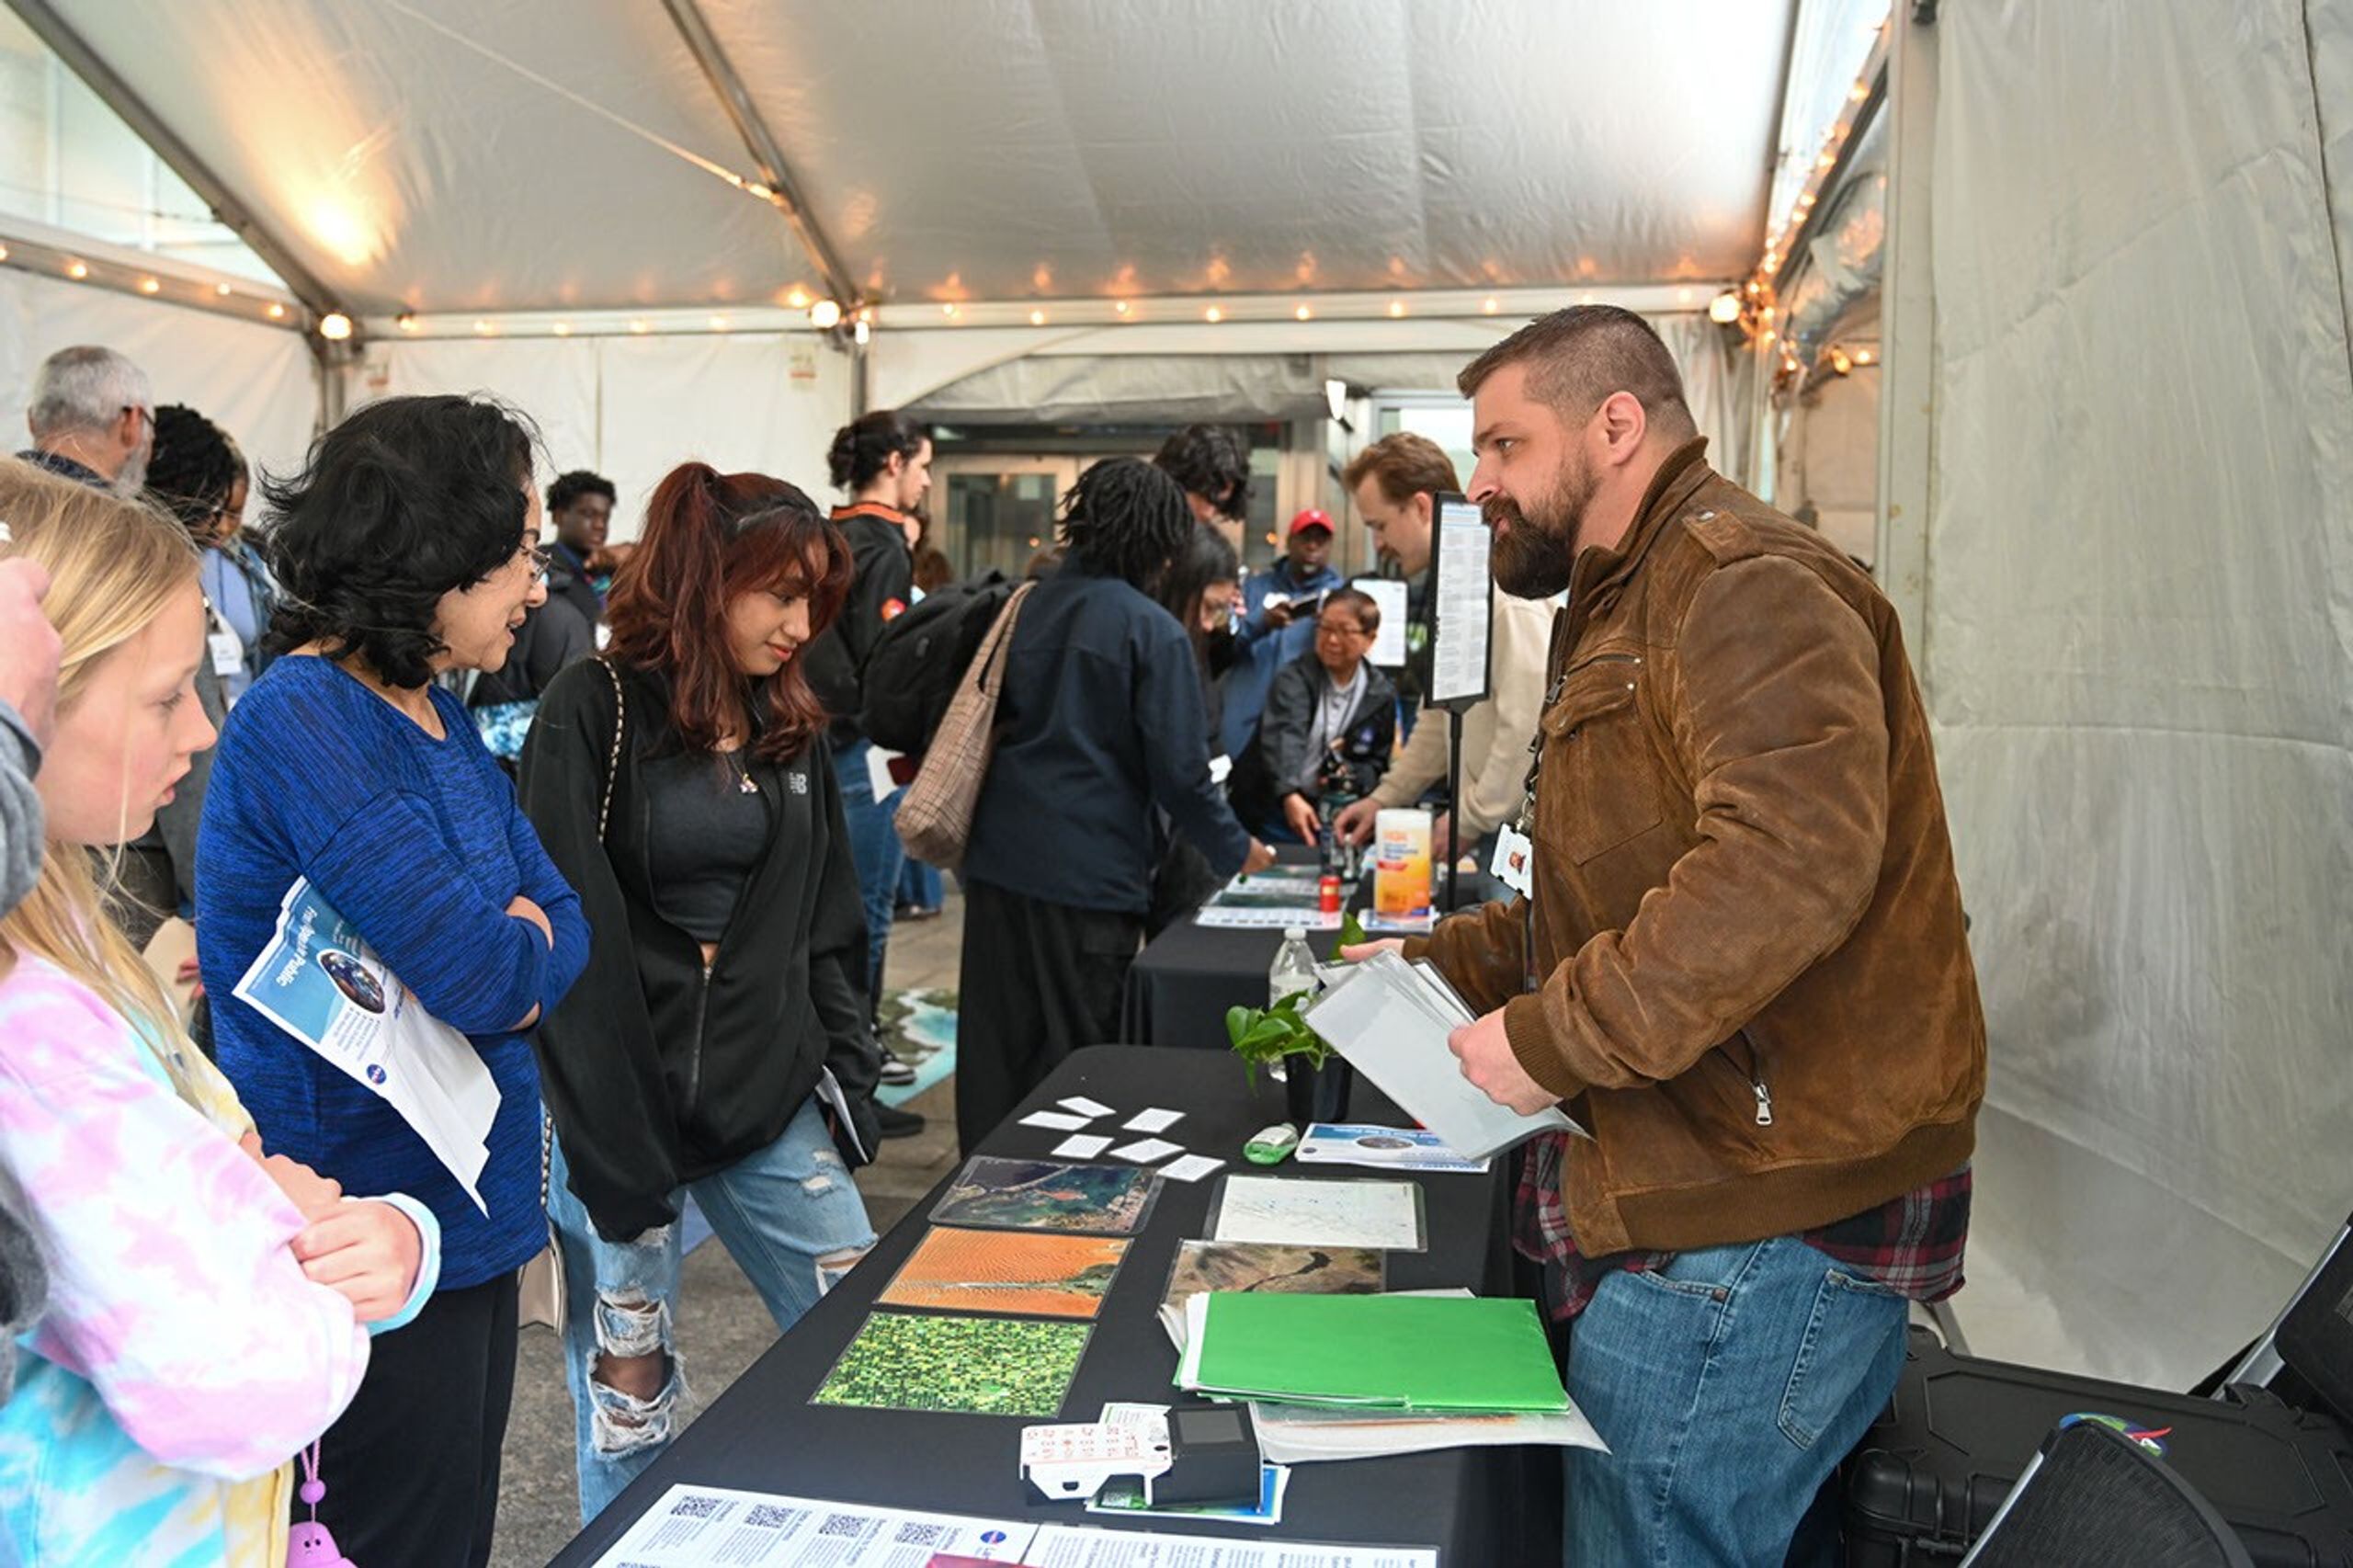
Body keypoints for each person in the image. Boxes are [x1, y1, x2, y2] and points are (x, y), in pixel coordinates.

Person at [1352, 306, 1983, 1565]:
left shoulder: (1740, 582)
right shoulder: (1633, 596)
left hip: (1762, 1218)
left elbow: (1790, 862)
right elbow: (1616, 895)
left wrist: (1552, 1035)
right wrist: (1428, 965)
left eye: (1503, 445)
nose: (1478, 484)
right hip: (1711, 1190)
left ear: (1617, 425)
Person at [0, 458, 438, 1564]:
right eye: (163, 696)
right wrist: (302, 1234)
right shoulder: (33, 1025)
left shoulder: (74, 936)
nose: (199, 731)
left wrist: (390, 1237)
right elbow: (243, 1375)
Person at [199, 394, 591, 1566]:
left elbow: (562, 917)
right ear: (433, 558)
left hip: (461, 1218)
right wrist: (515, 952)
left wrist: (521, 946)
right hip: (360, 1230)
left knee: (454, 1523)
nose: (536, 586)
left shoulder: (435, 713)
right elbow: (484, 969)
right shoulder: (302, 721)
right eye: (519, 554)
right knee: (388, 1534)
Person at [518, 463, 880, 1521]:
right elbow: (561, 924)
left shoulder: (792, 721)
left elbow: (828, 918)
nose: (798, 622)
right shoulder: (593, 705)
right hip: (616, 1112)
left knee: (867, 1334)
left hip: (768, 1099)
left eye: (813, 596)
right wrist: (600, 1129)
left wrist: (841, 1063)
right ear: (702, 579)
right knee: (630, 1401)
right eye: (777, 591)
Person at [960, 460, 1274, 1147]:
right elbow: (1181, 773)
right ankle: (1062, 1202)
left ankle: (976, 1191)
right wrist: (1237, 850)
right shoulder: (1148, 627)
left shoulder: (1025, 603)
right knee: (1081, 1059)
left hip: (996, 862)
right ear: (1161, 540)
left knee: (995, 1048)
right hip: (1090, 872)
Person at [1330, 433, 1555, 868]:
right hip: (1494, 831)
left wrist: (1469, 819)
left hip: (1516, 842)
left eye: (1378, 526)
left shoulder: (1499, 592)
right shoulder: (1457, 588)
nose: (1377, 544)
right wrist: (1384, 800)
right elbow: (1441, 715)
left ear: (1419, 507)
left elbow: (1528, 727)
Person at [806, 409, 933, 1126]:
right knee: (867, 913)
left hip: (827, 743)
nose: (925, 480)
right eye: (921, 465)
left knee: (843, 913)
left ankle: (847, 1068)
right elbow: (884, 658)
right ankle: (857, 1080)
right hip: (865, 748)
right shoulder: (880, 543)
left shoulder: (830, 535)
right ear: (892, 463)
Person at [114, 403, 239, 952]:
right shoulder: (156, 585)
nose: (220, 529)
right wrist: (216, 902)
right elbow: (193, 776)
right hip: (140, 870)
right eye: (213, 506)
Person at [1229, 588, 1398, 846]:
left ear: (1370, 638)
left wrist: (1352, 774)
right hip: (1275, 809)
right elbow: (1286, 737)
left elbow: (1378, 760)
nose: (1331, 639)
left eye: (1344, 631)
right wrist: (1289, 793)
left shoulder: (1380, 693)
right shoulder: (1294, 677)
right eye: (1324, 627)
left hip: (1339, 813)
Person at [1146, 523, 1245, 934]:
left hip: (1204, 814)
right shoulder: (1159, 644)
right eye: (1206, 608)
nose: (1209, 624)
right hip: (1175, 827)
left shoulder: (1195, 641)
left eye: (1218, 611)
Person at [1217, 506, 1347, 759]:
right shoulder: (1255, 587)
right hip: (1242, 721)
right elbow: (1223, 648)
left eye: (1320, 540)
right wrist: (1261, 621)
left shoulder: (1339, 597)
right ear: (1289, 541)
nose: (1312, 547)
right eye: (1305, 539)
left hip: (1300, 725)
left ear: (1330, 546)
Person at [197, 433, 278, 701]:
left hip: (240, 721)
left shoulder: (250, 560)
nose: (222, 526)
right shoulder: (165, 563)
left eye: (234, 513)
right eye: (214, 510)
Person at [16, 345, 153, 494]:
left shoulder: (8, 492)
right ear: (131, 423)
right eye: (149, 424)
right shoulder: (109, 516)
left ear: (32, 420)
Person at [545, 469, 616, 629]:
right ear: (559, 516)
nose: (600, 525)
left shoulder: (611, 569)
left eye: (605, 517)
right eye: (589, 514)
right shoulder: (541, 566)